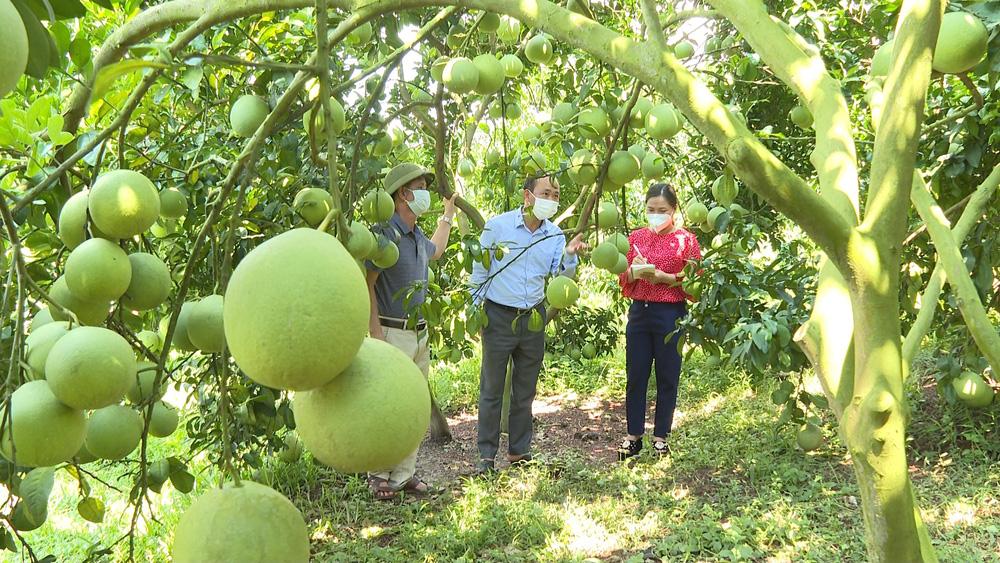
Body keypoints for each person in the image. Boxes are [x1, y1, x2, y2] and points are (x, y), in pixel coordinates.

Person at [469, 173, 586, 475]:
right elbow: (479, 272)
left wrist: (570, 257)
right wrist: (475, 311)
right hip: (498, 315)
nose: (551, 199)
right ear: (527, 196)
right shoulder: (499, 226)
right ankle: (486, 456)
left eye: (556, 195)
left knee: (525, 390)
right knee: (492, 389)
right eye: (545, 192)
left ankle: (519, 452)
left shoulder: (555, 236)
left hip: (533, 317)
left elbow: (560, 281)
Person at [365, 162, 457, 500]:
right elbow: (368, 284)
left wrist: (448, 214)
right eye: (421, 186)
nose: (426, 193)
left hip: (418, 333)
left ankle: (404, 475)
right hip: (391, 332)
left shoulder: (416, 234)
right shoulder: (384, 235)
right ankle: (378, 475)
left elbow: (438, 250)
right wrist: (375, 335)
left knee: (414, 406)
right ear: (404, 193)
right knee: (388, 406)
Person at [616, 183, 702, 460]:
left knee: (668, 375)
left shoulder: (686, 240)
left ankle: (661, 437)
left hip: (670, 313)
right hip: (640, 312)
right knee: (636, 374)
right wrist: (634, 271)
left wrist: (666, 278)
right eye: (651, 210)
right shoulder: (636, 237)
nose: (656, 215)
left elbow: (696, 281)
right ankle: (633, 437)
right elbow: (622, 278)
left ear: (674, 210)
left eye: (661, 210)